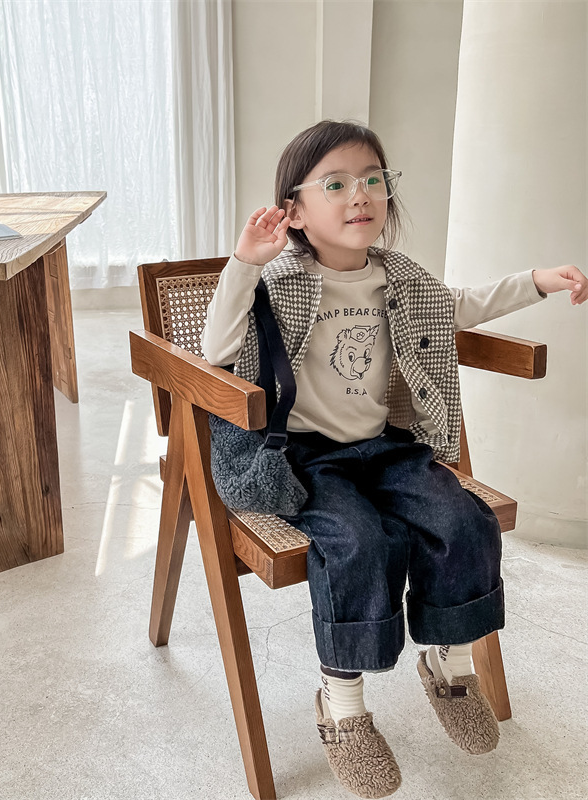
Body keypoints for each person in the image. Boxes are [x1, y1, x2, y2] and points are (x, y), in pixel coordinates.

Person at [201, 120, 587, 799]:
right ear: (294, 212)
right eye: (335, 183)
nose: (360, 194)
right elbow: (217, 349)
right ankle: (343, 706)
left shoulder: (399, 279)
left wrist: (536, 281)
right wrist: (245, 263)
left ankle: (450, 666)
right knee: (357, 542)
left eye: (373, 179)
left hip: (385, 446)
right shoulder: (281, 280)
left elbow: (458, 306)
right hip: (306, 456)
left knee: (463, 520)